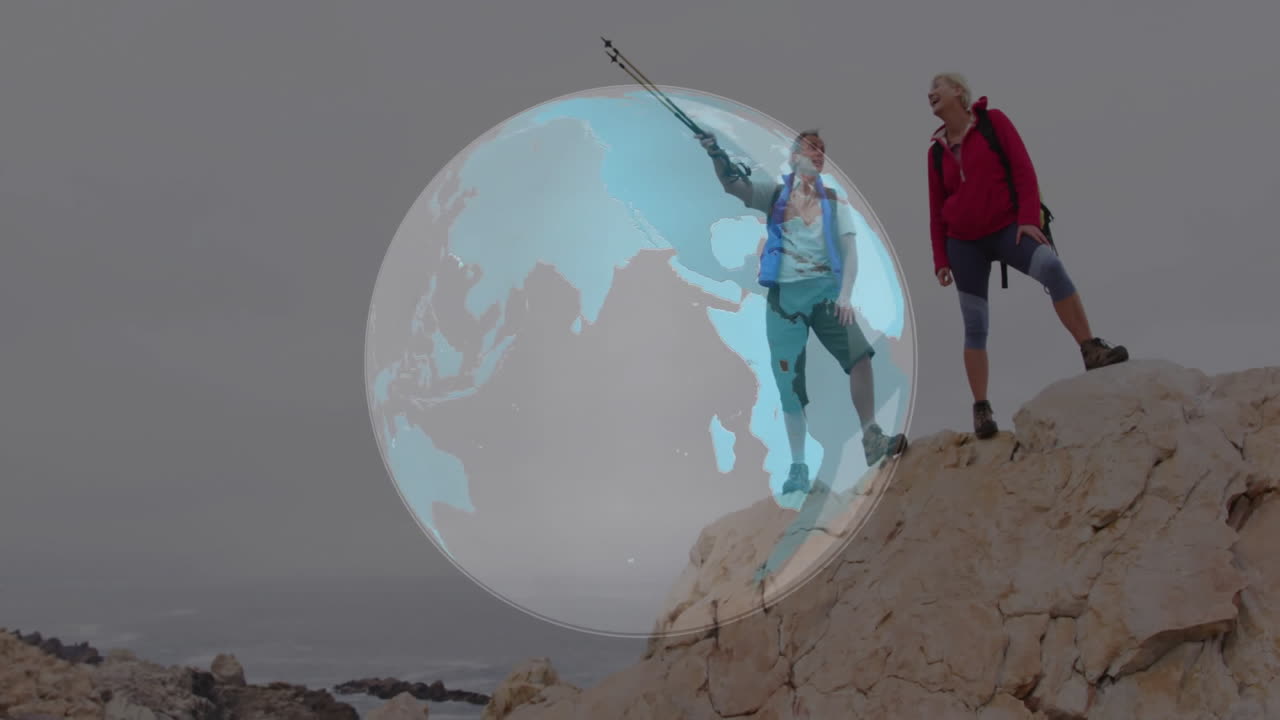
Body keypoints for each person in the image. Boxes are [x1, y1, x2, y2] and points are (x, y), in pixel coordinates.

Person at [698, 128, 907, 494]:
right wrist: (716, 154)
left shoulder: (833, 201)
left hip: (826, 295)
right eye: (811, 148)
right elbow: (735, 186)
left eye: (823, 149)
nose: (818, 154)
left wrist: (845, 295)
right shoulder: (776, 194)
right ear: (794, 156)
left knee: (860, 355)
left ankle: (871, 436)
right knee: (789, 384)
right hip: (784, 302)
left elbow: (850, 252)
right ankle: (797, 466)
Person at [926, 73, 1129, 439]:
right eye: (929, 91)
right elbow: (936, 207)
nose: (930, 93)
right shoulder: (935, 151)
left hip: (1007, 229)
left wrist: (1027, 220)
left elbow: (1023, 170)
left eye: (937, 86)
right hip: (964, 244)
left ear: (958, 91)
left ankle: (1090, 348)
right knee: (975, 324)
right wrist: (941, 258)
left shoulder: (993, 122)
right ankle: (981, 408)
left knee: (1051, 267)